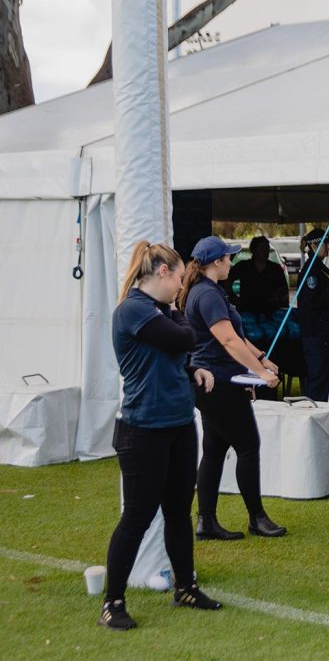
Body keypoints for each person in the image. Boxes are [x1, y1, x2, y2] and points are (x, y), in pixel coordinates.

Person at [100, 241, 222, 630]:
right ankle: (112, 602)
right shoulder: (135, 308)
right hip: (143, 430)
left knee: (178, 511)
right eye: (180, 278)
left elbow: (170, 354)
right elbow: (185, 338)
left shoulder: (160, 311)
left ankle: (186, 587)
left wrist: (192, 370)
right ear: (163, 272)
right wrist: (179, 317)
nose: (182, 287)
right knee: (137, 516)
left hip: (179, 424)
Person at [181, 236, 287, 541]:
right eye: (228, 257)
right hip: (220, 383)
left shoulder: (207, 290)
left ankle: (206, 521)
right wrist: (261, 373)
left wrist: (262, 358)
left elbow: (235, 337)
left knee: (214, 450)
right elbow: (228, 341)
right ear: (216, 262)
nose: (232, 262)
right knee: (248, 446)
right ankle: (257, 518)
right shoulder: (208, 294)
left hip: (213, 382)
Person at [296, 229, 329, 402]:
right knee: (318, 376)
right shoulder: (311, 271)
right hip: (315, 332)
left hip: (321, 331)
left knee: (324, 375)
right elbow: (312, 301)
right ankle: (311, 407)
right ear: (314, 246)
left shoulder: (320, 268)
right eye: (326, 244)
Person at [228, 236, 289, 317]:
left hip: (271, 314)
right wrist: (233, 298)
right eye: (262, 248)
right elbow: (226, 280)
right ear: (254, 250)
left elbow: (284, 291)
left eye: (267, 248)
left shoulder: (276, 269)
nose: (265, 251)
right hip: (247, 313)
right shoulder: (243, 266)